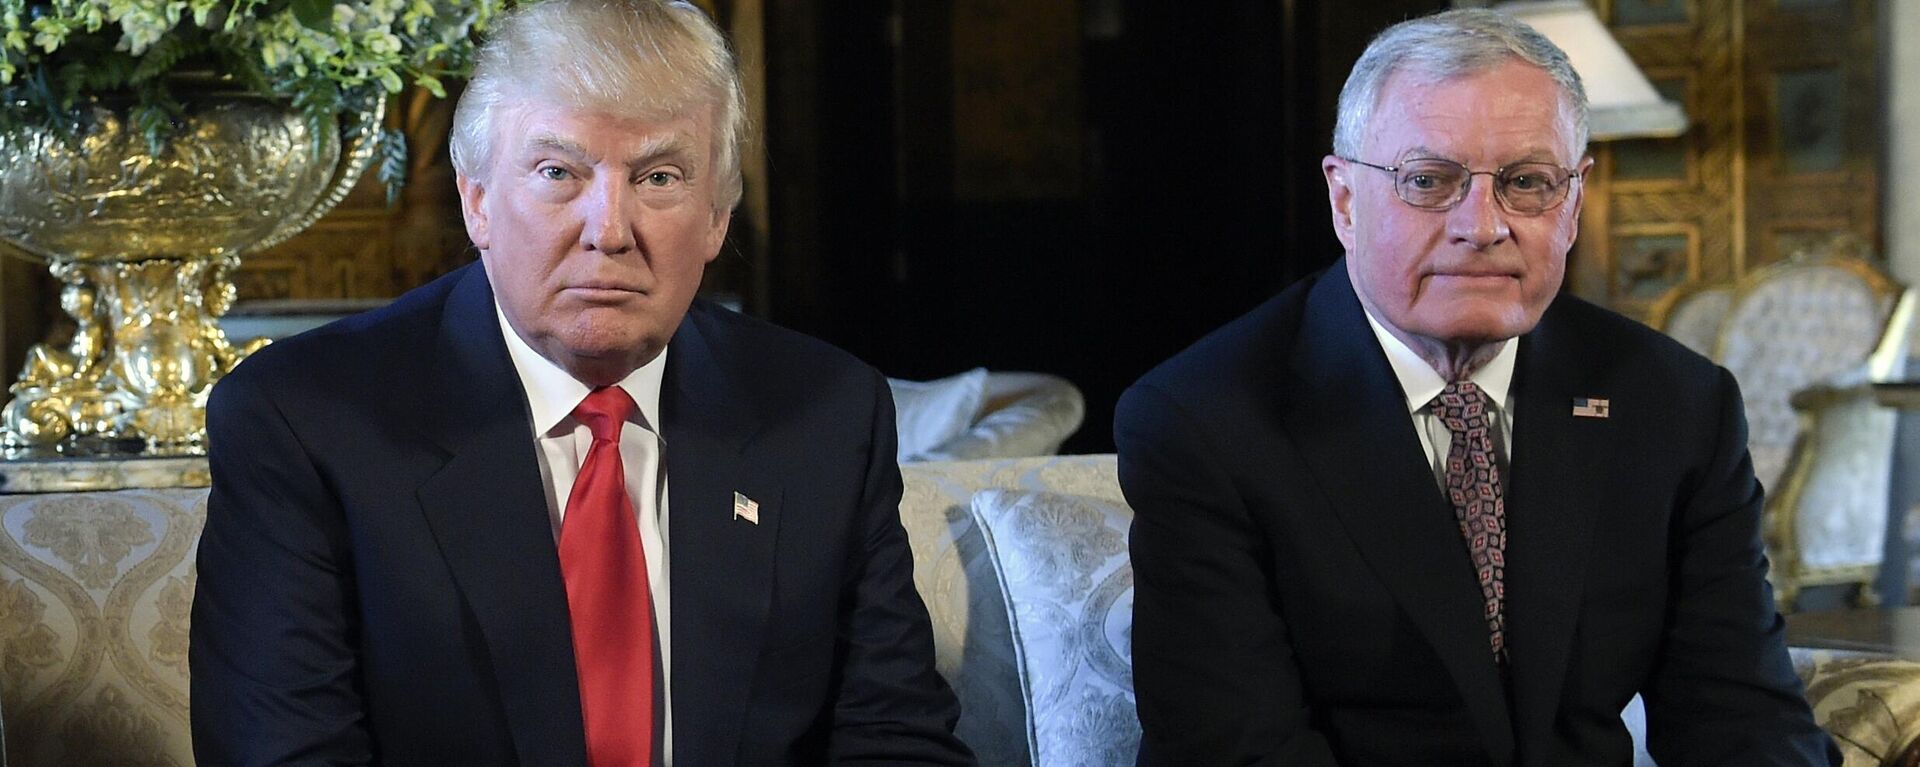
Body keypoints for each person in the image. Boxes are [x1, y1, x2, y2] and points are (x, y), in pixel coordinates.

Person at [189, 1, 974, 764]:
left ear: (718, 217)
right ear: (479, 202)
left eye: (660, 176)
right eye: (558, 171)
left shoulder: (826, 413)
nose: (609, 229)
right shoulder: (305, 418)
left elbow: (896, 736)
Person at [1116, 9, 1839, 766]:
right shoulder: (1205, 419)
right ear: (1345, 200)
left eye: (1527, 183)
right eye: (1429, 180)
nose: (1483, 225)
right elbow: (1236, 750)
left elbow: (1745, 720)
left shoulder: (1677, 404)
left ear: (1574, 204)